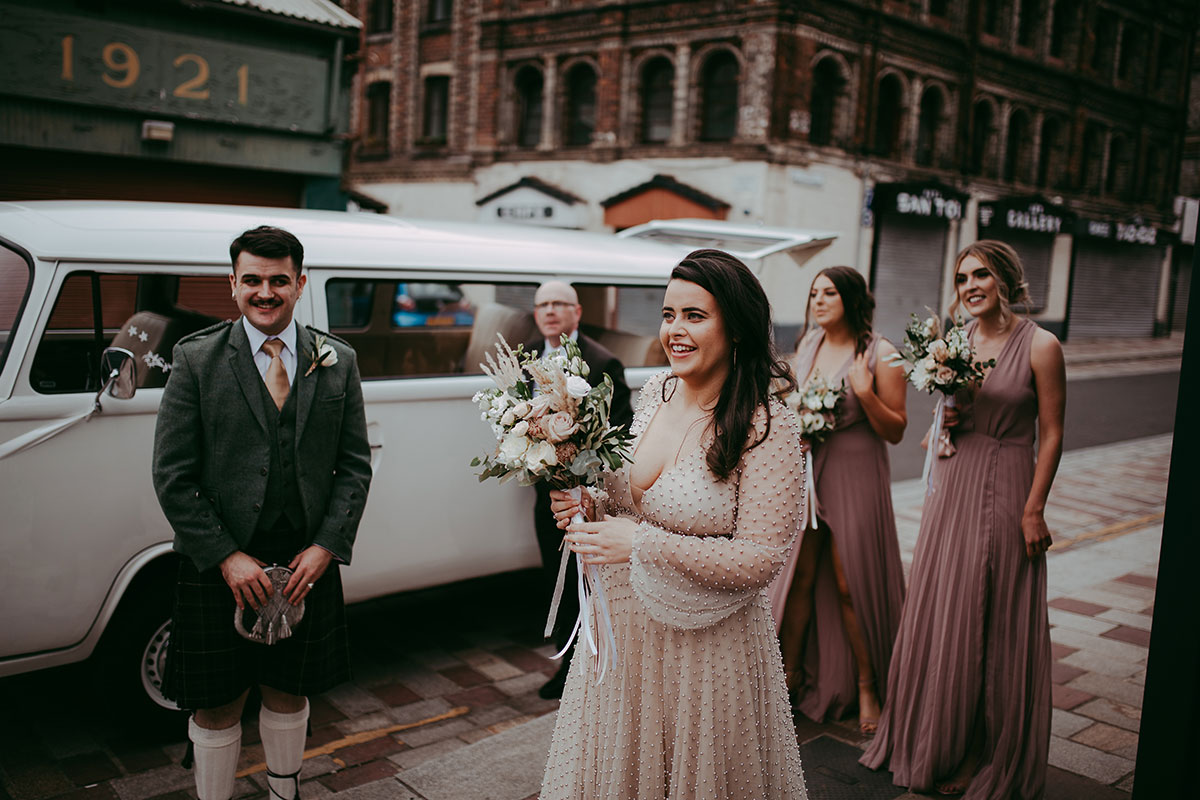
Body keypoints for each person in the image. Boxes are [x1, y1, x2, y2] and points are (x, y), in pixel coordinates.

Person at [541, 249, 808, 799]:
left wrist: (640, 543)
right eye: (668, 315)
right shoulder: (656, 392)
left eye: (694, 315)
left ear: (736, 327)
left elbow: (762, 558)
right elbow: (630, 500)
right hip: (624, 636)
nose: (675, 331)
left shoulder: (767, 426)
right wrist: (587, 503)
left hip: (705, 649)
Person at [153, 226, 372, 800]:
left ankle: (284, 793)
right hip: (219, 562)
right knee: (216, 701)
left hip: (304, 560)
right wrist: (226, 557)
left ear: (301, 284)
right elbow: (172, 474)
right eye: (252, 279)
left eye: (279, 280)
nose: (265, 292)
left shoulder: (338, 359)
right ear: (232, 283)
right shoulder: (196, 358)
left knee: (289, 690)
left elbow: (354, 466)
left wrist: (326, 546)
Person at [861, 240, 1065, 798]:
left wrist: (1034, 507)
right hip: (952, 484)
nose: (969, 286)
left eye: (980, 275)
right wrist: (945, 418)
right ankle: (937, 738)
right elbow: (951, 411)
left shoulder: (1042, 346)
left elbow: (1052, 433)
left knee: (993, 610)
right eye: (961, 279)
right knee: (946, 601)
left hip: (1008, 481)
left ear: (1006, 280)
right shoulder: (957, 341)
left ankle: (986, 752)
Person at [766, 266, 907, 734]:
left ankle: (868, 687)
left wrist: (866, 395)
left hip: (856, 474)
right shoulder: (808, 345)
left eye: (829, 293)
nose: (819, 301)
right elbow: (786, 404)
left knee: (851, 582)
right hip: (809, 473)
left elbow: (895, 430)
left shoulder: (881, 353)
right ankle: (787, 679)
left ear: (851, 298)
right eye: (814, 293)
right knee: (800, 577)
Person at [523, 280, 632, 700]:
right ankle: (567, 666)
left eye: (559, 303)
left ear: (577, 311)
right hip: (545, 495)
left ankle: (596, 666)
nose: (550, 311)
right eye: (543, 304)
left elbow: (619, 431)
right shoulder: (527, 359)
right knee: (555, 579)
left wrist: (582, 475)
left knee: (589, 582)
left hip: (590, 498)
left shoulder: (602, 361)